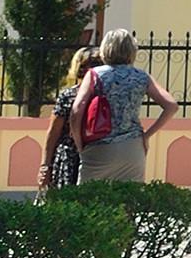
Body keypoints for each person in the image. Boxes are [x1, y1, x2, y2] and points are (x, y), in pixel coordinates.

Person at [76, 29, 179, 184]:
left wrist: (79, 143)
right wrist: (146, 135)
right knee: (129, 200)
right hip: (132, 147)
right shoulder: (141, 76)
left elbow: (77, 109)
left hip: (99, 145)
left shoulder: (95, 74)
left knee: (89, 199)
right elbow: (171, 106)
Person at [39, 45, 96, 189]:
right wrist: (45, 166)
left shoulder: (71, 96)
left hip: (86, 155)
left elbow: (54, 132)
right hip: (76, 157)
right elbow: (54, 132)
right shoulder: (69, 96)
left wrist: (45, 165)